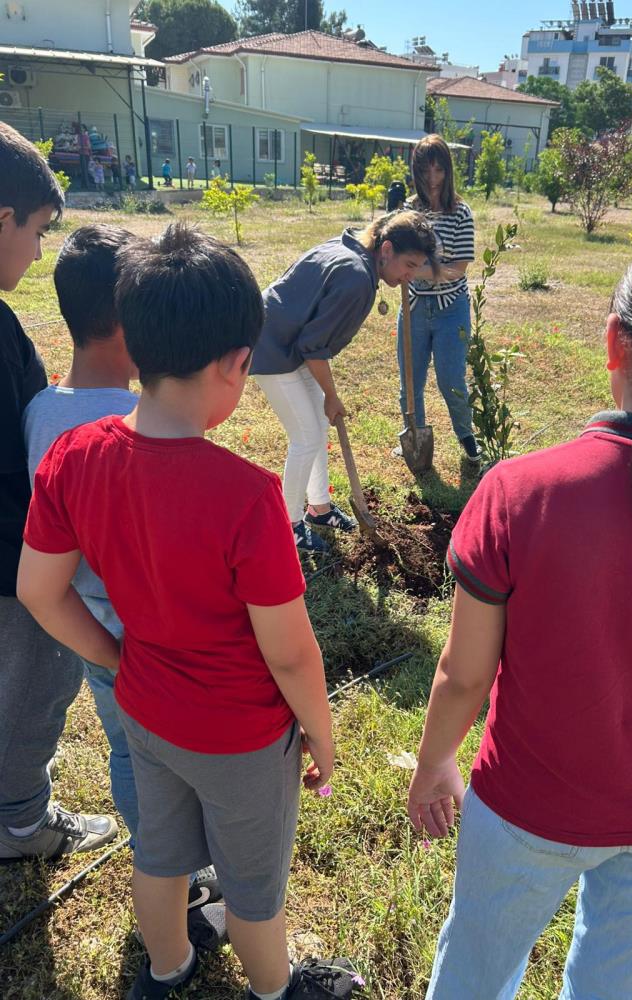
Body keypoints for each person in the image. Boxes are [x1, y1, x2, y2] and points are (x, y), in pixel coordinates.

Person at [18, 223, 360, 1000]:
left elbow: (40, 590)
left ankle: (167, 969)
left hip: (144, 711)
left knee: (161, 856)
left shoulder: (74, 455)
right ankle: (275, 989)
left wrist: (114, 657)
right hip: (241, 737)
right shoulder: (247, 498)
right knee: (254, 889)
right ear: (236, 364)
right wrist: (319, 730)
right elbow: (290, 653)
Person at [407, 232, 632, 1000]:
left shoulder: (519, 492)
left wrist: (433, 764)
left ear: (613, 341)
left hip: (530, 807)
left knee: (475, 970)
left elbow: (464, 676)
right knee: (612, 976)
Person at [21, 224, 223, 942]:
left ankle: (160, 861)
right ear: (128, 318)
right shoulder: (132, 424)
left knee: (125, 749)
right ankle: (185, 874)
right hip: (153, 634)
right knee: (178, 757)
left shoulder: (41, 411)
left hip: (87, 628)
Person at [0, 121, 118, 862]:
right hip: (18, 570)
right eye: (38, 229)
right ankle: (20, 823)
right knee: (34, 693)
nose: (40, 250)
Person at [251, 210, 438, 552]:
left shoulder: (354, 251)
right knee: (306, 436)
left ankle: (319, 509)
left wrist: (326, 398)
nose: (410, 276)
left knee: (317, 426)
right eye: (409, 265)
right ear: (386, 250)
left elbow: (310, 340)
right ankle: (289, 525)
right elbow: (313, 346)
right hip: (273, 347)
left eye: (417, 268)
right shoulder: (356, 278)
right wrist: (331, 395)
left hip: (291, 342)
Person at [395, 133, 480, 465]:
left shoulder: (461, 213)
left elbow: (457, 269)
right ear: (416, 171)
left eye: (439, 170)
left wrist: (415, 270)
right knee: (410, 381)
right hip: (414, 308)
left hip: (450, 310)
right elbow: (395, 255)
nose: (432, 179)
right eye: (425, 170)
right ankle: (414, 437)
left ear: (448, 170)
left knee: (451, 379)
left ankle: (468, 439)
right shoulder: (408, 211)